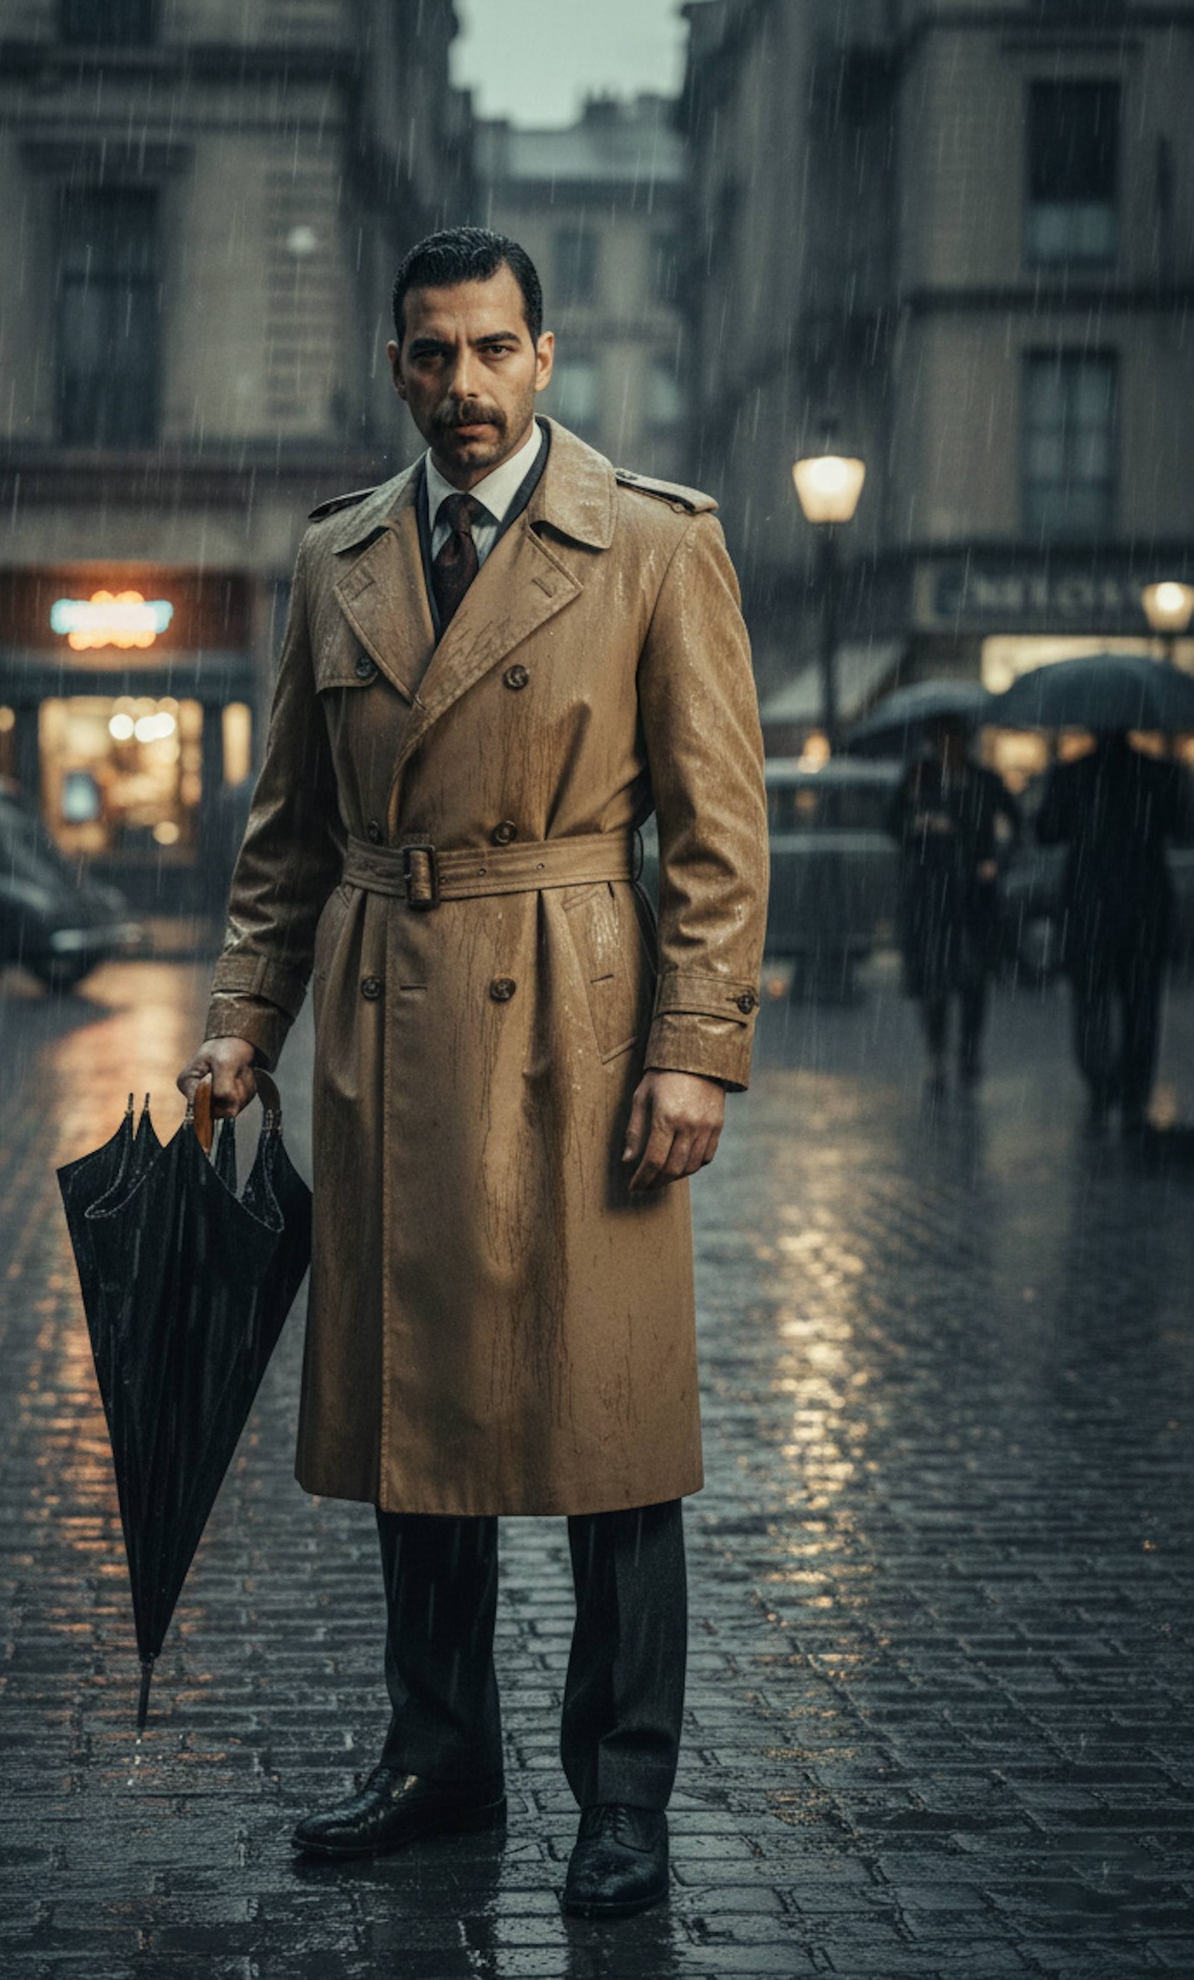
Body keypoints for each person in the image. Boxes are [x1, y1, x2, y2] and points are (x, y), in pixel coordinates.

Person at [177, 227, 768, 1919]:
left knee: (612, 1426)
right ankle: (440, 1754)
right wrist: (243, 1022)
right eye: (432, 356)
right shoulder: (337, 558)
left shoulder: (654, 543)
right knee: (411, 1413)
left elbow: (723, 835)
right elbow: (285, 832)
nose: (463, 388)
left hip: (582, 1012)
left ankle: (623, 1790)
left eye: (493, 349)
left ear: (547, 355)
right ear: (395, 369)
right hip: (389, 1024)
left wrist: (696, 1049)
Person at [1036, 731, 1191, 1131]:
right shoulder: (1158, 774)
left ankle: (1101, 1082)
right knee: (1141, 1006)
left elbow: (1046, 830)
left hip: (1090, 906)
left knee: (1090, 1003)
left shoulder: (1070, 775)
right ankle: (1132, 1092)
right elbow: (1183, 829)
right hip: (1143, 906)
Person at [887, 719, 1019, 1087]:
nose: (948, 747)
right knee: (933, 982)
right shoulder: (919, 779)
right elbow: (891, 822)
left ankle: (969, 1053)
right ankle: (937, 1056)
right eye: (940, 740)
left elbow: (1017, 826)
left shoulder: (984, 782)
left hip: (974, 895)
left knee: (973, 980)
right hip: (930, 896)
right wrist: (918, 824)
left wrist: (996, 862)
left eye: (954, 739)